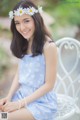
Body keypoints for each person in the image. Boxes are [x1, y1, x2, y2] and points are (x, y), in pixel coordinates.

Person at [0, 0, 58, 120]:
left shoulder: (48, 46)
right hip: (21, 96)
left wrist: (19, 104)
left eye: (26, 21)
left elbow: (49, 85)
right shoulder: (25, 43)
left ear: (36, 20)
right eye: (17, 23)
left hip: (41, 103)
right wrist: (9, 97)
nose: (22, 27)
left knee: (3, 117)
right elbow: (19, 73)